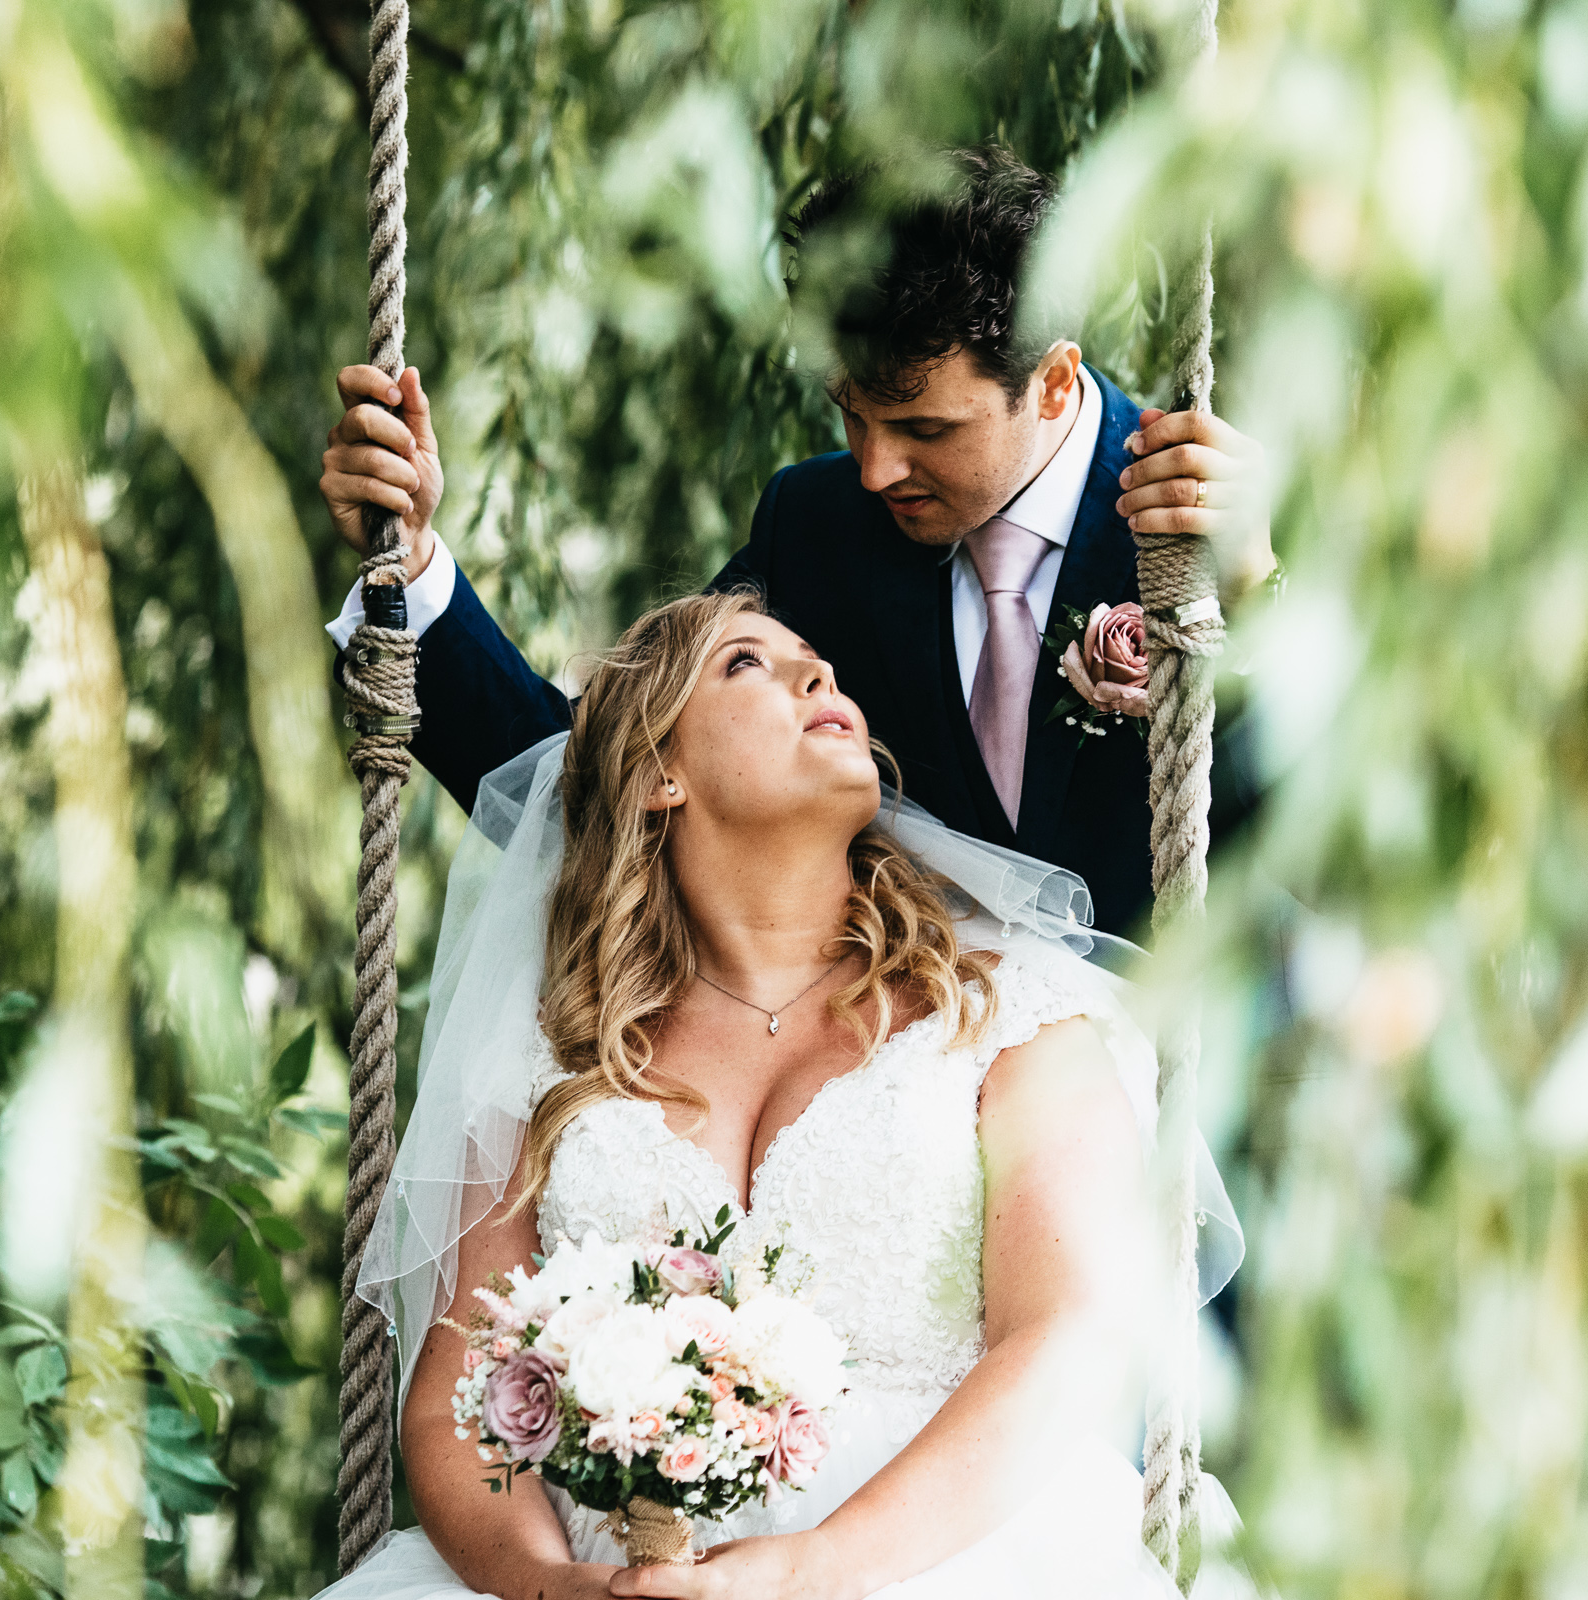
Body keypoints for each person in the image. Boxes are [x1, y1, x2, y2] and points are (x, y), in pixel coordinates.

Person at [318, 590, 1240, 1600]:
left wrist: (807, 1571)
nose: (820, 676)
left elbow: (1069, 1339)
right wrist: (551, 1585)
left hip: (949, 1556)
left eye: (819, 662)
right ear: (659, 772)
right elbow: (458, 1393)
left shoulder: (1015, 1011)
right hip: (614, 1571)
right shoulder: (552, 1055)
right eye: (748, 664)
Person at [319, 145, 1274, 936]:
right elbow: (605, 780)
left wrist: (1256, 602)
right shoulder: (816, 530)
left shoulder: (1212, 520)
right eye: (850, 416)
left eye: (925, 430)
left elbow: (1329, 850)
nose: (873, 470)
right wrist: (412, 569)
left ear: (1055, 383)